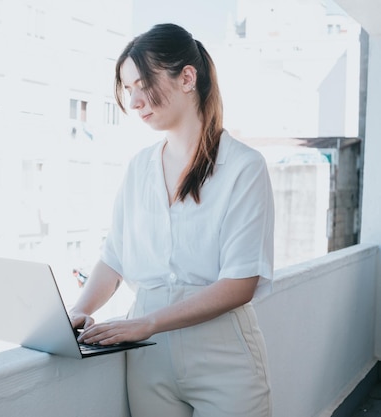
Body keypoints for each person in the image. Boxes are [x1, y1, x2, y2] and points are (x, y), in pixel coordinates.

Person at [69, 23, 274, 417]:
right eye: (128, 89)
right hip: (148, 358)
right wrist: (78, 312)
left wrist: (148, 323)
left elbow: (240, 284)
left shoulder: (244, 167)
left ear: (187, 77)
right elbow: (114, 258)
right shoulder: (138, 168)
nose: (135, 101)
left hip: (222, 354)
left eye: (143, 83)